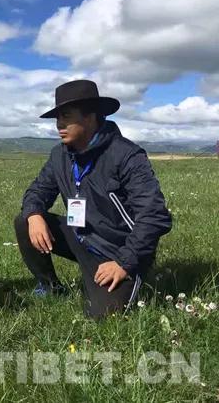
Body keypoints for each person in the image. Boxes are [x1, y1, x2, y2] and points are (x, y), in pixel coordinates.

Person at [15, 79, 172, 319]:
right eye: (57, 118)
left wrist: (124, 262)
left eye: (66, 116)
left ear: (90, 117)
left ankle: (123, 276)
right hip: (81, 237)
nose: (59, 125)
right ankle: (49, 286)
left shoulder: (126, 155)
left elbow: (155, 216)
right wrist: (34, 215)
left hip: (118, 251)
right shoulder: (60, 155)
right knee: (24, 221)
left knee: (103, 316)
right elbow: (38, 190)